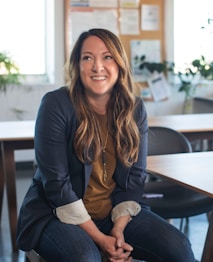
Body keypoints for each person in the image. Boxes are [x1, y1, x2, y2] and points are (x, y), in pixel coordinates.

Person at [16, 28, 195, 262]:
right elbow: (57, 186)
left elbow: (135, 178)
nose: (97, 67)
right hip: (56, 214)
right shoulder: (56, 104)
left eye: (107, 57)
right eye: (87, 57)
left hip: (114, 213)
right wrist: (102, 241)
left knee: (178, 246)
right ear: (77, 66)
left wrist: (118, 231)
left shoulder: (134, 108)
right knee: (85, 257)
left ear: (119, 63)